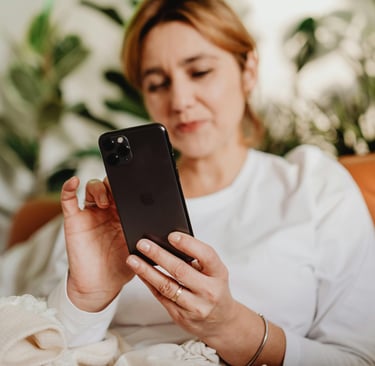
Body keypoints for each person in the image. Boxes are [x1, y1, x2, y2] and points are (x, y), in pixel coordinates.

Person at [45, 0, 375, 365]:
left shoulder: (312, 186)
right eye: (157, 84)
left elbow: (359, 358)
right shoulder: (109, 210)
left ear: (248, 69)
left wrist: (231, 327)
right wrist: (88, 297)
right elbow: (47, 349)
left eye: (200, 72)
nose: (180, 100)